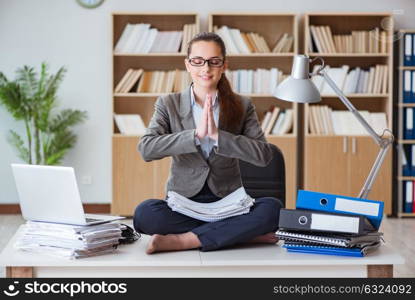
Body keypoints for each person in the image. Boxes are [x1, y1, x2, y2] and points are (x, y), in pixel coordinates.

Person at [133, 32, 283, 254]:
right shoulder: (169, 104)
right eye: (198, 61)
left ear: (224, 65)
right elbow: (146, 149)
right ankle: (239, 235)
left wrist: (218, 136)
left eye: (214, 61)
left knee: (274, 210)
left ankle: (184, 241)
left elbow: (264, 155)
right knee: (144, 214)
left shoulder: (242, 105)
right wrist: (194, 135)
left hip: (229, 203)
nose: (206, 69)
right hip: (183, 203)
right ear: (188, 65)